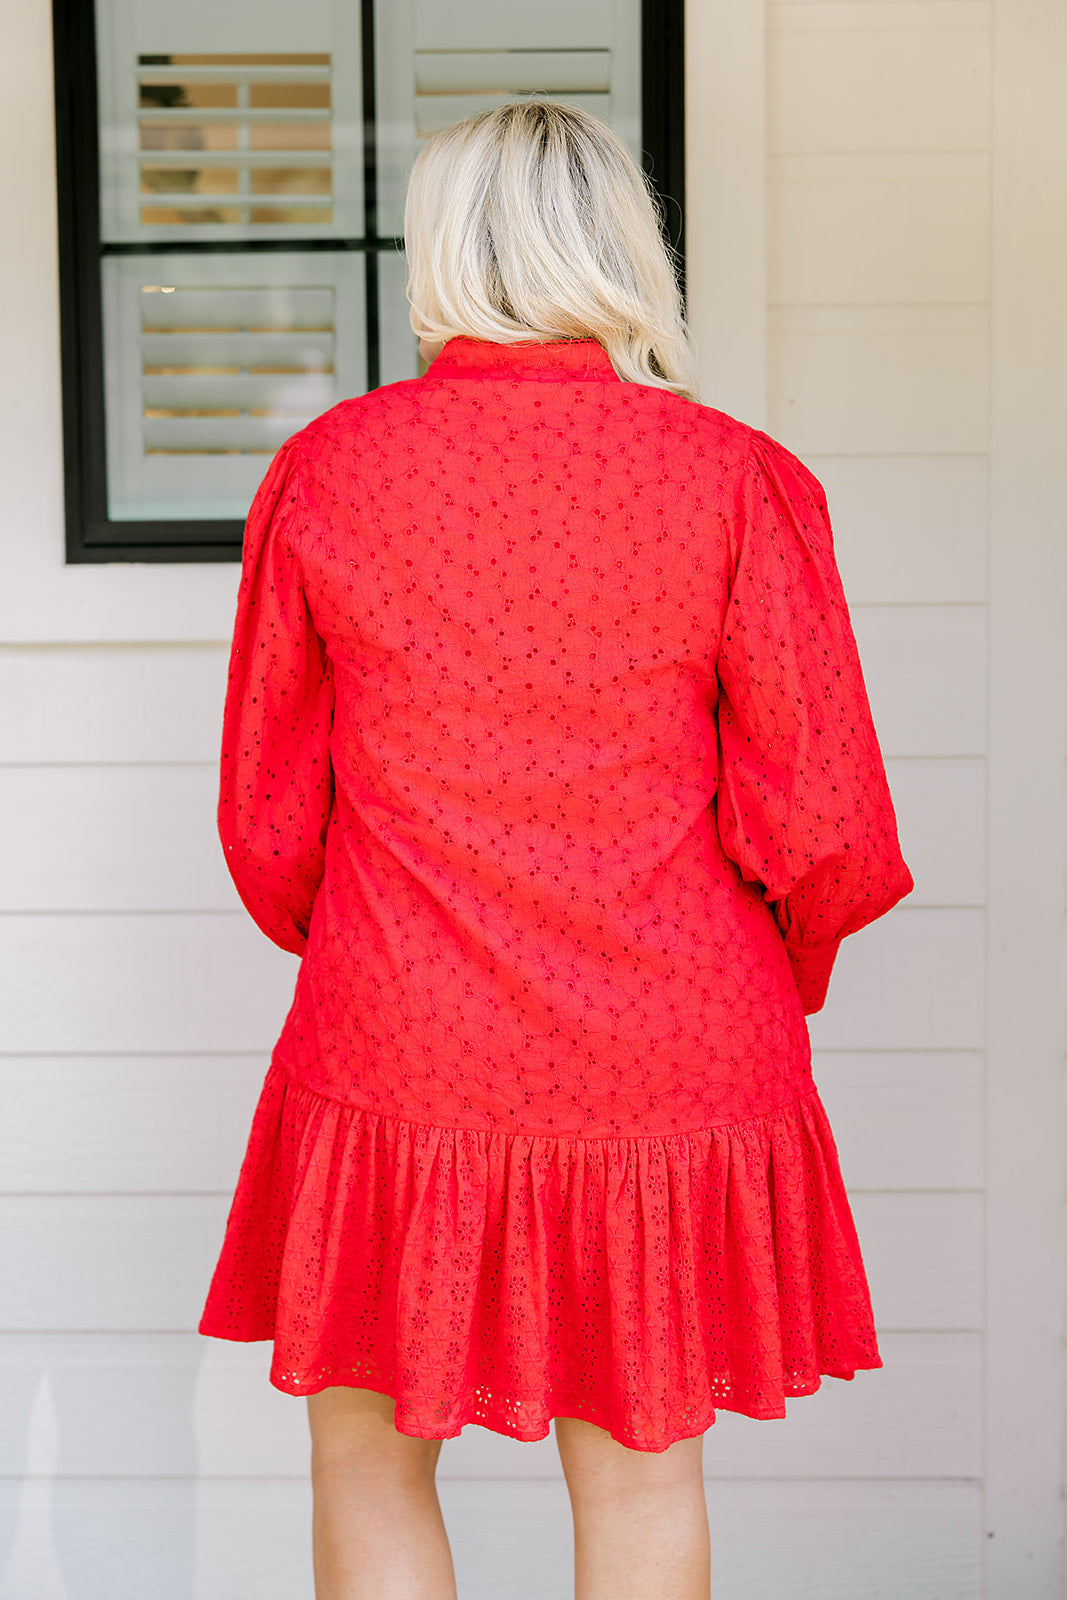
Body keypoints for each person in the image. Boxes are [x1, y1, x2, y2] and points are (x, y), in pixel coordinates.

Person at [199, 100, 914, 1600]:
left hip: (401, 1035)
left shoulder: (329, 470)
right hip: (672, 1041)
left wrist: (383, 936)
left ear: (439, 252)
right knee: (644, 1473)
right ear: (625, 247)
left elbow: (270, 827)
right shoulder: (734, 478)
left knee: (368, 1458)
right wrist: (757, 975)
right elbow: (832, 825)